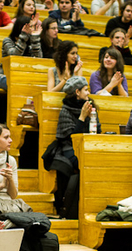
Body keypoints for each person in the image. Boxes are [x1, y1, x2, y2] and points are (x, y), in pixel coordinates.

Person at [50, 76, 99, 215]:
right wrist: (82, 117)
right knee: (84, 162)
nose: (88, 93)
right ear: (77, 92)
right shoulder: (65, 110)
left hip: (90, 145)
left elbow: (97, 130)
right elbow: (71, 138)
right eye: (85, 90)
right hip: (69, 149)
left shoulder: (91, 106)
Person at [0, 15, 42, 90]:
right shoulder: (8, 41)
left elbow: (38, 59)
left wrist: (35, 38)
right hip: (6, 76)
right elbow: (14, 56)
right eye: (30, 26)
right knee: (20, 85)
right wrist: (23, 37)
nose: (32, 29)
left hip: (25, 76)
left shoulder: (31, 41)